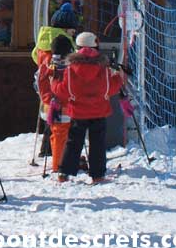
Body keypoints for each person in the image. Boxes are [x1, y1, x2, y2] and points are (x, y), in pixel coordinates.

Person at [52, 31, 124, 184]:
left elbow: (64, 90)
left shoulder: (71, 68)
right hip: (99, 111)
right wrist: (118, 76)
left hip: (78, 112)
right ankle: (97, 175)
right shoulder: (103, 68)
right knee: (98, 143)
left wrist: (54, 83)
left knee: (73, 142)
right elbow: (110, 89)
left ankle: (64, 172)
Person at [31, 1, 80, 158]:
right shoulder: (61, 41)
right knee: (62, 123)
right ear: (66, 28)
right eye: (73, 29)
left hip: (45, 87)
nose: (74, 33)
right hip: (59, 88)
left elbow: (34, 56)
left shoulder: (43, 38)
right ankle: (59, 155)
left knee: (49, 120)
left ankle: (46, 150)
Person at [37, 33, 75, 175]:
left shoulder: (46, 65)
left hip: (49, 107)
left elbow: (40, 84)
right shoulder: (69, 67)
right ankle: (59, 166)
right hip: (66, 107)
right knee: (62, 136)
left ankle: (59, 162)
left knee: (56, 134)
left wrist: (47, 99)